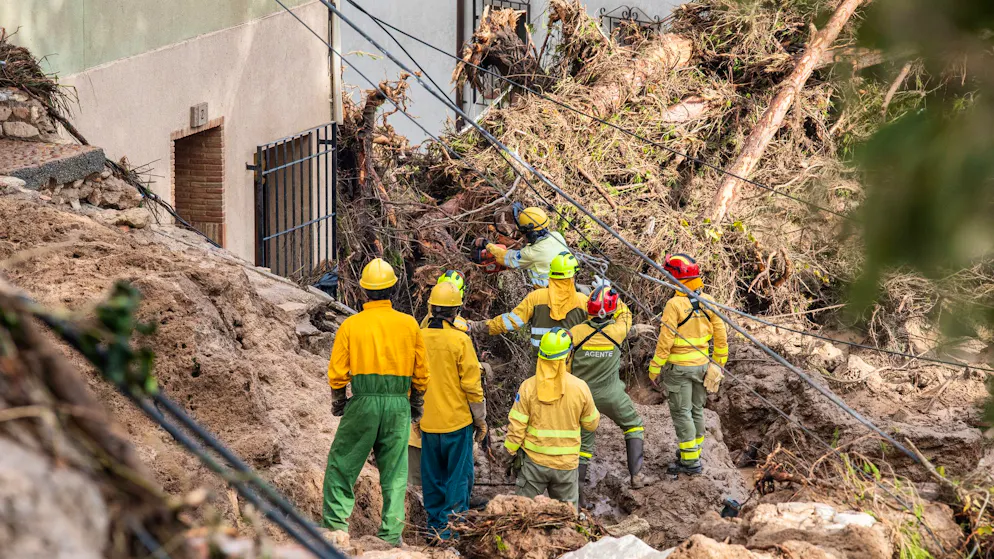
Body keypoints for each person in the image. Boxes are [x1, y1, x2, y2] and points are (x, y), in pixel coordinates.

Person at [323, 258, 429, 544]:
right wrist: (416, 402)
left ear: (364, 291)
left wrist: (338, 400)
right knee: (395, 472)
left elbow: (338, 372)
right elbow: (421, 372)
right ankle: (391, 536)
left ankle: (336, 528)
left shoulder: (351, 325)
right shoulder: (409, 325)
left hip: (363, 401)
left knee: (342, 464)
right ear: (393, 289)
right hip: (398, 404)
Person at [418, 281, 488, 540]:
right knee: (458, 478)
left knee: (432, 477)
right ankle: (451, 532)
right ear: (456, 311)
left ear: (431, 308)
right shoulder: (460, 340)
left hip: (427, 422)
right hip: (457, 422)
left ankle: (434, 528)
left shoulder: (419, 337)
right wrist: (480, 419)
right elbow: (472, 385)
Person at [648, 254, 728, 476]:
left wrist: (654, 368)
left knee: (682, 413)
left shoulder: (674, 305)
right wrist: (718, 364)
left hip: (679, 369)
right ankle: (693, 451)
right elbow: (721, 336)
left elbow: (665, 341)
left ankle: (690, 462)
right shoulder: (708, 300)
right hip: (702, 367)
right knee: (696, 410)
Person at [502, 328, 600, 507]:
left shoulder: (528, 387)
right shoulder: (580, 388)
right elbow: (591, 424)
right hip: (566, 467)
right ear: (567, 356)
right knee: (567, 516)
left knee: (522, 513)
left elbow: (516, 428)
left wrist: (509, 453)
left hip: (533, 465)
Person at [568, 282, 644, 504]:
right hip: (612, 395)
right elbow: (626, 315)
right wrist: (611, 293)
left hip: (582, 397)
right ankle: (636, 477)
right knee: (633, 425)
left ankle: (578, 498)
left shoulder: (576, 332)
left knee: (583, 446)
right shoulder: (617, 331)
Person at [411, 270, 470, 487]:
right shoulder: (460, 333)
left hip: (424, 418)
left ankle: (432, 511)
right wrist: (480, 416)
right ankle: (453, 508)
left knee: (429, 481)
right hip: (453, 418)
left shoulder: (420, 330)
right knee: (456, 478)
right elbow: (469, 379)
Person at [470, 252, 587, 349]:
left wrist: (477, 326)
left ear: (550, 273)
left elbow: (510, 322)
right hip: (569, 362)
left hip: (540, 361)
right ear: (573, 276)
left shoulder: (536, 297)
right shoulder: (583, 301)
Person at [478, 204, 572, 289]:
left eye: (522, 232)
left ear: (530, 234)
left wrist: (486, 244)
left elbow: (506, 258)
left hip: (548, 294)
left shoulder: (531, 253)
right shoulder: (557, 236)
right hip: (567, 285)